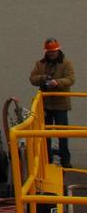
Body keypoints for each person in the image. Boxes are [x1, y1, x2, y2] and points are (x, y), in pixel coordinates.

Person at [29, 39, 75, 168]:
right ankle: (47, 160)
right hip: (45, 104)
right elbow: (32, 79)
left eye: (53, 51)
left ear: (58, 50)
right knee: (44, 135)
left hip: (61, 104)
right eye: (49, 51)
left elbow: (71, 79)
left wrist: (57, 82)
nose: (51, 54)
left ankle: (65, 161)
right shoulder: (40, 64)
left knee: (63, 134)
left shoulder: (66, 63)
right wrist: (44, 78)